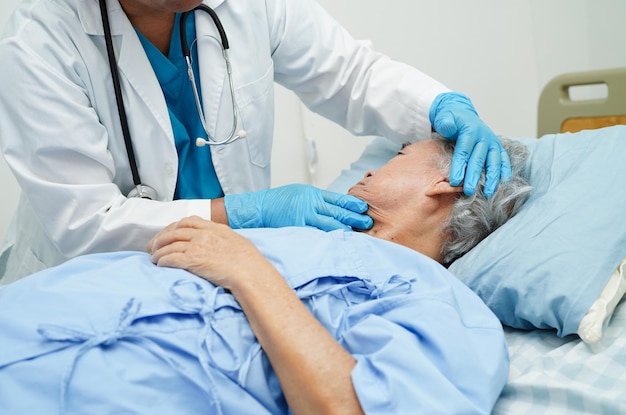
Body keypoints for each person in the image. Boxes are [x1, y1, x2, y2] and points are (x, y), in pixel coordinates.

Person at [0, 137, 530, 415]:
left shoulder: (436, 300)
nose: (369, 169)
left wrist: (248, 271)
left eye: (397, 155)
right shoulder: (295, 233)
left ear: (444, 181)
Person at [0, 0, 511, 285]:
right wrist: (248, 212)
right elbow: (88, 222)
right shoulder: (39, 35)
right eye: (398, 150)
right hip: (90, 277)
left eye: (403, 152)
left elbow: (350, 74)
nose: (370, 176)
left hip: (224, 276)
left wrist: (439, 104)